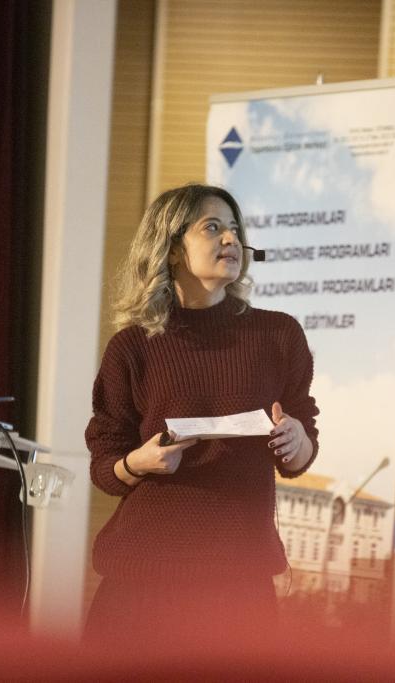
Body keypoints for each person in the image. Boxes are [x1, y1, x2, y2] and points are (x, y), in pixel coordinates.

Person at [83, 184, 319, 650]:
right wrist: (138, 463)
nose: (231, 239)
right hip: (143, 580)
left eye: (234, 229)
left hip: (241, 580)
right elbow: (104, 466)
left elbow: (303, 443)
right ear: (172, 249)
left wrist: (297, 440)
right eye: (212, 228)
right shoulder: (132, 347)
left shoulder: (279, 335)